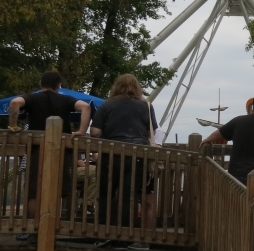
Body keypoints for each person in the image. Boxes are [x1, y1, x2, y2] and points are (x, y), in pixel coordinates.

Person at [6, 71, 91, 219]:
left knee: (35, 191)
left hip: (37, 151)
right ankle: (52, 225)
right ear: (58, 85)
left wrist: (13, 125)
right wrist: (81, 131)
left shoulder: (33, 98)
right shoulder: (66, 99)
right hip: (61, 151)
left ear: (41, 83)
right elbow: (86, 107)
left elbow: (14, 103)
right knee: (57, 190)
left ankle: (34, 227)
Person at [90, 74, 160, 233]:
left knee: (105, 193)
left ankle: (102, 230)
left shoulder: (107, 105)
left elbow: (94, 132)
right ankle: (125, 232)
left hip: (111, 155)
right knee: (128, 195)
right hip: (137, 156)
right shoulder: (146, 106)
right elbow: (152, 132)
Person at [202, 94, 254, 203]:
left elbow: (219, 133)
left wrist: (207, 140)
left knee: (236, 208)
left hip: (236, 175)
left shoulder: (238, 121)